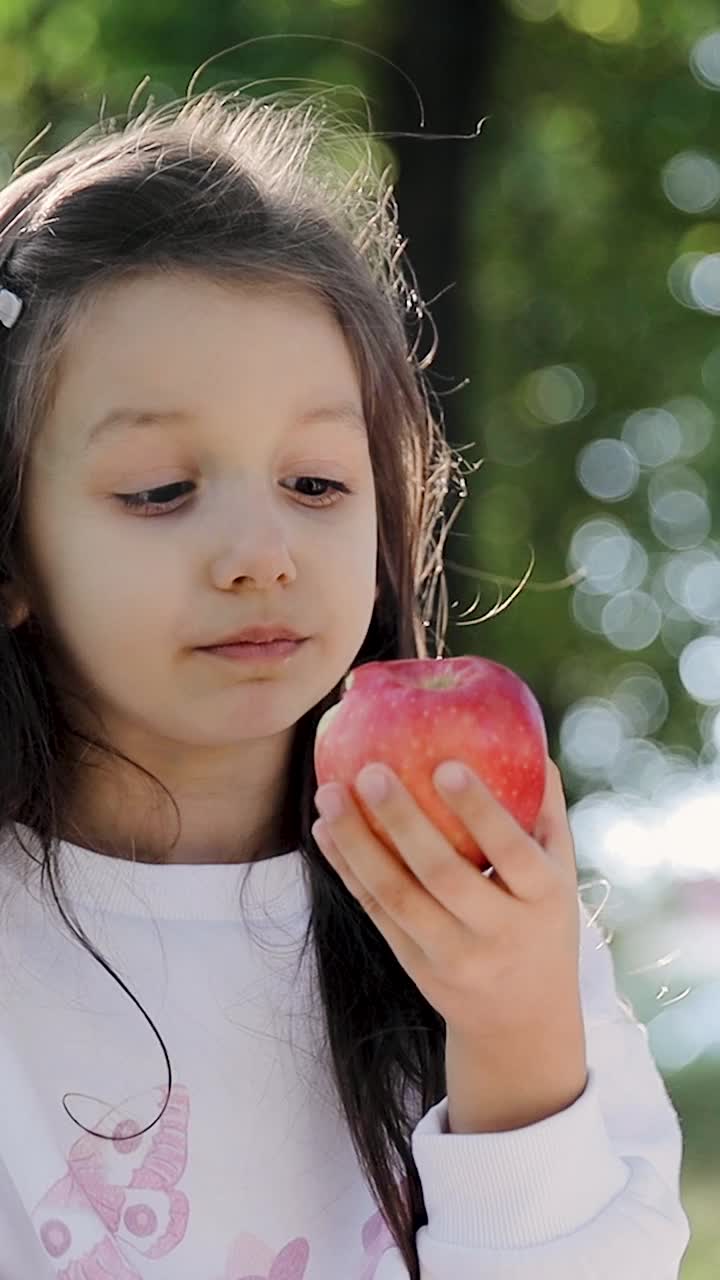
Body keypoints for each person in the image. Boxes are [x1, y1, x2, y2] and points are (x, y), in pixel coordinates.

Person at [0, 85, 689, 1280]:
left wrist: (513, 1026)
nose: (264, 550)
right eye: (161, 489)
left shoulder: (477, 903)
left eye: (316, 483)